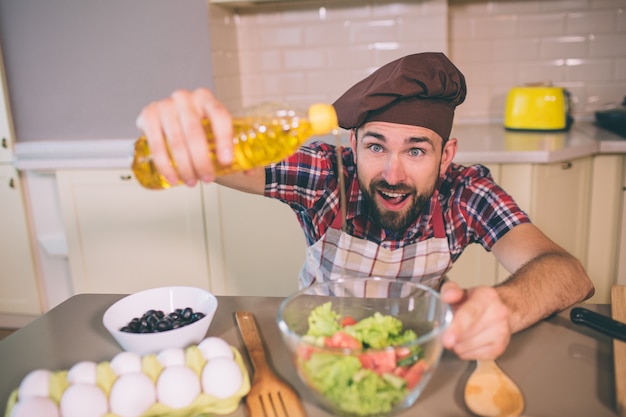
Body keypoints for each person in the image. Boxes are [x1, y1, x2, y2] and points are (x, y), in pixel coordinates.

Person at [136, 52, 594, 360]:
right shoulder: (324, 175)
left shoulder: (464, 192)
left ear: (446, 155)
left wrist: (508, 307)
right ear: (352, 144)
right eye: (377, 147)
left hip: (413, 354)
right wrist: (185, 140)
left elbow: (568, 273)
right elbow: (213, 162)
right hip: (316, 350)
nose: (393, 175)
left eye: (416, 150)